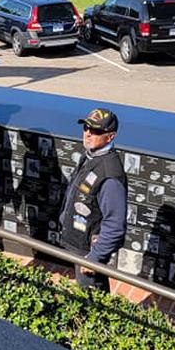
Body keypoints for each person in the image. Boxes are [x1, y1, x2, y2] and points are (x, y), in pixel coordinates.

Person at [59, 108, 128, 292]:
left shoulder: (109, 174)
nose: (88, 133)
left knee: (92, 297)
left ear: (110, 136)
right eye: (86, 127)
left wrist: (95, 257)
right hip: (80, 243)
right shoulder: (91, 156)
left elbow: (115, 225)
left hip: (89, 251)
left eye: (96, 131)